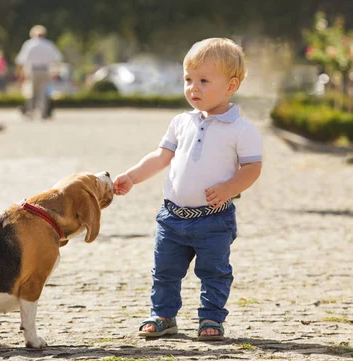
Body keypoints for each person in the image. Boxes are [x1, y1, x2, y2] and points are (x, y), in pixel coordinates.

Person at [113, 38, 263, 341]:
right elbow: (160, 157)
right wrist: (132, 176)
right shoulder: (181, 122)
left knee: (214, 272)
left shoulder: (242, 129)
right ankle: (163, 315)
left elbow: (252, 168)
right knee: (165, 271)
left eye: (204, 81)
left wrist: (228, 188)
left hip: (213, 219)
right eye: (188, 79)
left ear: (231, 85)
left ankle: (211, 318)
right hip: (172, 217)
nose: (193, 87)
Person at [15, 25, 62, 119]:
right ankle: (43, 112)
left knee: (32, 91)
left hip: (33, 70)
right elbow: (57, 58)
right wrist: (55, 71)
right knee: (43, 92)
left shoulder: (29, 44)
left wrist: (20, 74)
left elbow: (21, 61)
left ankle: (30, 111)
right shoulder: (48, 44)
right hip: (45, 70)